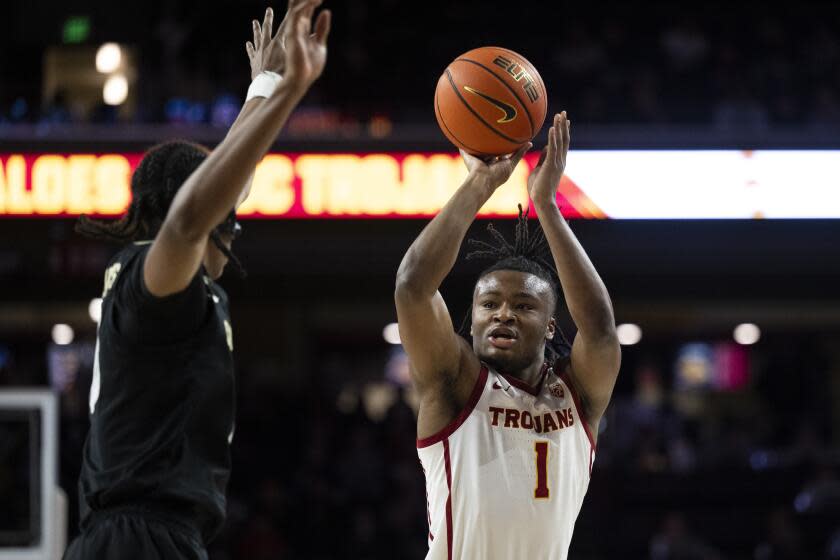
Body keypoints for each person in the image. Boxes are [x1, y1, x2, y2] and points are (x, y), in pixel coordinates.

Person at [62, 2, 331, 559]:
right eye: (226, 219)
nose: (234, 225)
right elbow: (192, 217)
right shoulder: (156, 282)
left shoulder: (151, 274)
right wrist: (287, 97)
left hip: (149, 534)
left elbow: (220, 189)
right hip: (138, 538)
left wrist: (265, 84)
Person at [395, 112, 621, 559]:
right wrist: (480, 184)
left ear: (550, 326)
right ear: (473, 318)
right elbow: (413, 286)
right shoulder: (455, 382)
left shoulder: (577, 393)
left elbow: (599, 329)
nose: (504, 315)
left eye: (523, 307)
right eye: (489, 304)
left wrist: (549, 207)